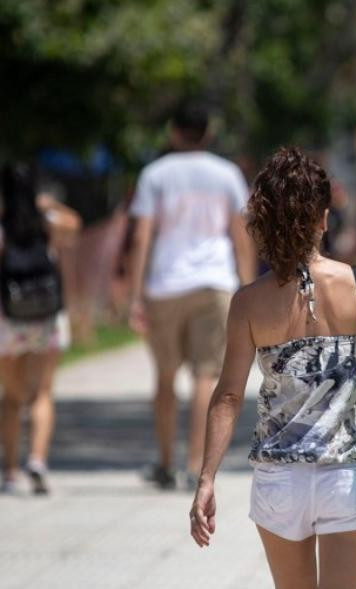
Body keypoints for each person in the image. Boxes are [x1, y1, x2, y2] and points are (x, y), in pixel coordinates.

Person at [189, 147, 356, 588]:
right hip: (348, 476)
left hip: (279, 480)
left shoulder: (248, 301)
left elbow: (227, 395)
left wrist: (207, 478)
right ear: (323, 218)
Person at [128, 102, 256, 489]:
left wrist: (135, 295)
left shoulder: (155, 174)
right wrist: (246, 290)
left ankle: (165, 463)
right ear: (209, 132)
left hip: (165, 284)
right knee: (207, 375)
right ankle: (195, 465)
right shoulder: (227, 174)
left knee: (165, 377)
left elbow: (141, 235)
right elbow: (240, 234)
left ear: (173, 132)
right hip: (215, 281)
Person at [0, 163, 80, 495]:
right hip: (47, 318)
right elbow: (75, 224)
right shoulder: (48, 224)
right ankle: (37, 460)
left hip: (9, 320)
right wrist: (51, 205)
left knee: (11, 397)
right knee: (43, 392)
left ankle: (11, 471)